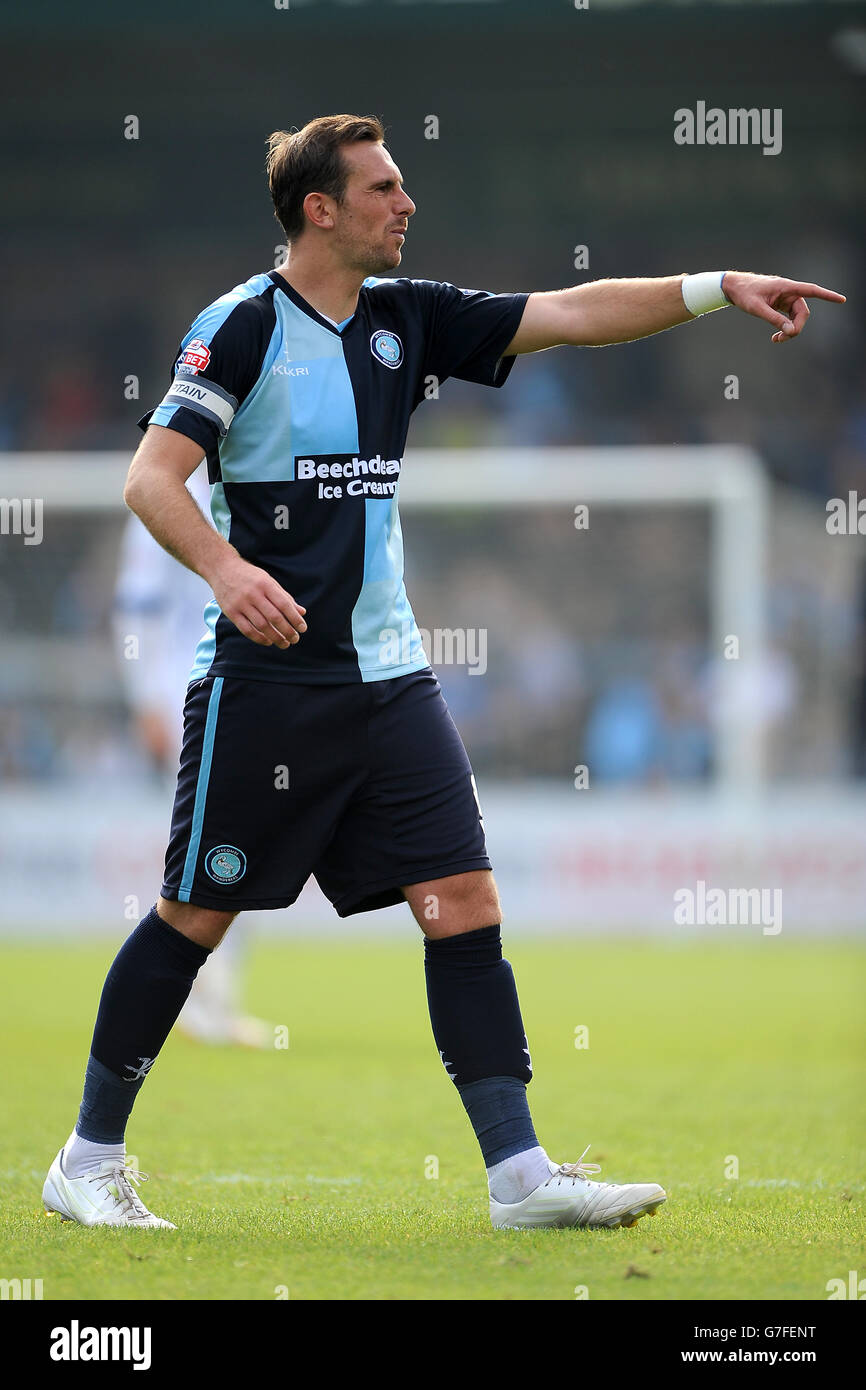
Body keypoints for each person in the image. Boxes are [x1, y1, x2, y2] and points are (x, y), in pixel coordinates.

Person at [43, 113, 844, 1230]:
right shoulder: (238, 327)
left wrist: (713, 284)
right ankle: (85, 1157)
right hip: (267, 685)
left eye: (401, 184)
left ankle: (517, 1174)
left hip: (392, 676)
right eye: (381, 187)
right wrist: (227, 573)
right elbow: (150, 478)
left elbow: (567, 312)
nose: (403, 202)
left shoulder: (405, 320)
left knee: (461, 901)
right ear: (319, 208)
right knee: (195, 912)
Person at [113, 466, 271, 1047]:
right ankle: (191, 998)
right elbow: (136, 605)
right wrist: (145, 699)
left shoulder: (257, 477)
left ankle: (213, 1001)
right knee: (204, 850)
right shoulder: (173, 487)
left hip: (246, 690)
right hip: (186, 695)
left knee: (240, 847)